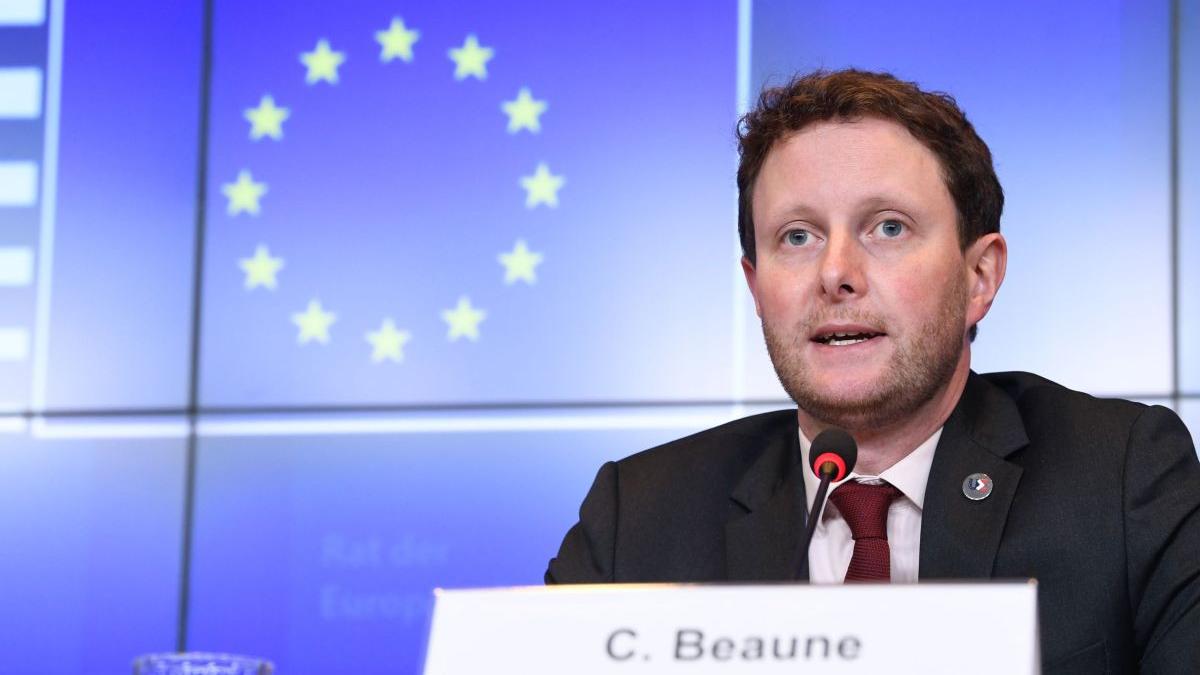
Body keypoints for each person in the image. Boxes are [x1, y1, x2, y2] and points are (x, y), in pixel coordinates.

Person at [545, 69, 1200, 672]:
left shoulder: (1123, 477)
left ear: (979, 275)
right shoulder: (637, 518)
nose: (835, 273)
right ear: (755, 286)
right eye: (797, 236)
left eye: (888, 227)